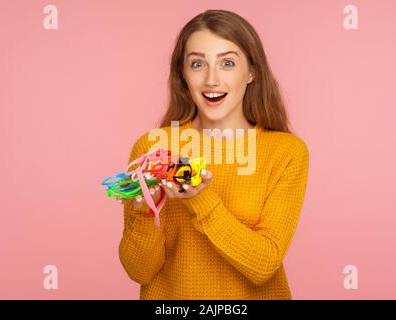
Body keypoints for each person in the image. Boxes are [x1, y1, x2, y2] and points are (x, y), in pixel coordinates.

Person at [118, 9, 309, 300]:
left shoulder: (286, 152)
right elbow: (139, 271)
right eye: (197, 64)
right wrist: (144, 209)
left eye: (227, 63)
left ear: (252, 72)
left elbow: (263, 265)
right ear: (183, 74)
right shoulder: (153, 147)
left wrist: (200, 198)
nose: (211, 79)